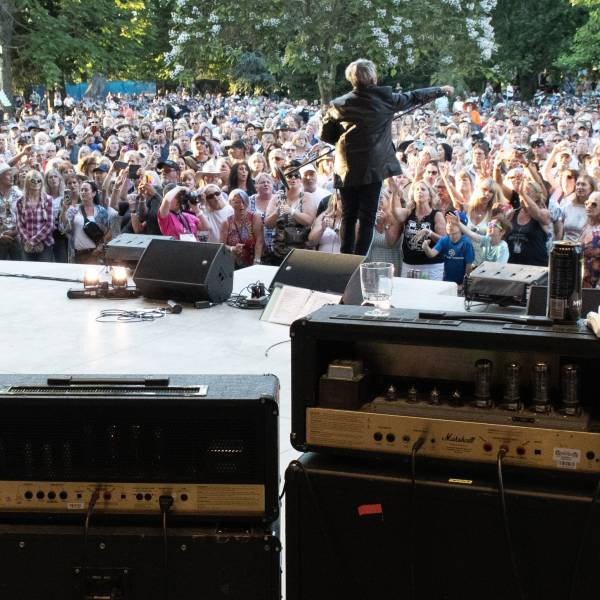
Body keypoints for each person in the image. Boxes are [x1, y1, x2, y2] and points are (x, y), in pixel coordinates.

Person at [320, 58, 453, 255]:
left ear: (351, 80)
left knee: (348, 216)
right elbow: (414, 96)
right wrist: (440, 90)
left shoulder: (338, 104)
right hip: (372, 169)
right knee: (367, 218)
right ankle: (358, 260)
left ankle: (345, 258)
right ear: (373, 77)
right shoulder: (385, 98)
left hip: (345, 168)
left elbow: (327, 135)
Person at [422, 212, 475, 287]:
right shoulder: (444, 240)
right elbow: (431, 254)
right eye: (448, 222)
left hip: (461, 283)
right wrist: (426, 247)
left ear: (462, 227)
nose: (450, 225)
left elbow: (468, 266)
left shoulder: (466, 243)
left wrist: (464, 285)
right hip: (447, 282)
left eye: (453, 223)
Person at [65, 180, 109, 264]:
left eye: (86, 190)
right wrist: (64, 209)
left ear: (93, 193)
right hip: (77, 254)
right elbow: (63, 228)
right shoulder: (73, 209)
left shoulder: (101, 211)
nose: (83, 192)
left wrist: (100, 247)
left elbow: (108, 232)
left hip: (95, 254)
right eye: (81, 190)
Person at [15, 170, 55, 262]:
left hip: (45, 243)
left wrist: (34, 240)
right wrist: (29, 240)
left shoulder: (48, 199)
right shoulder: (20, 201)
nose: (36, 183)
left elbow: (50, 224)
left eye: (39, 180)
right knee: (28, 273)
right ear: (27, 182)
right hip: (26, 244)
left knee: (44, 273)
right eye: (33, 180)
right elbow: (19, 225)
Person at [220, 188, 264, 268]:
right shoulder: (226, 223)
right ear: (230, 203)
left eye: (244, 202)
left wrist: (257, 260)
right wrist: (232, 248)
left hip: (253, 262)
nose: (241, 205)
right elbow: (221, 245)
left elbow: (259, 240)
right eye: (237, 202)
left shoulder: (254, 217)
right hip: (234, 265)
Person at [580, 191, 600, 288]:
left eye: (594, 204)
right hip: (582, 282)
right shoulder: (586, 226)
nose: (588, 206)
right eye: (587, 203)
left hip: (596, 285)